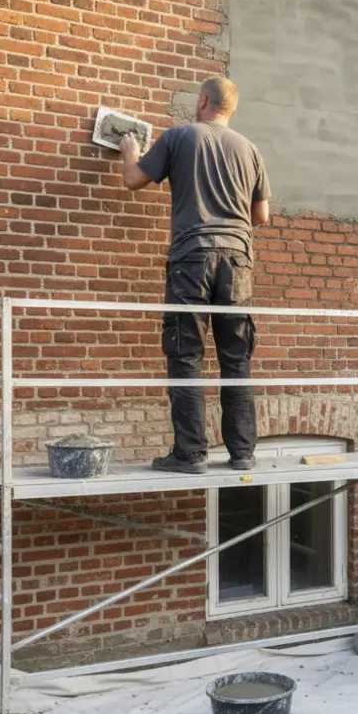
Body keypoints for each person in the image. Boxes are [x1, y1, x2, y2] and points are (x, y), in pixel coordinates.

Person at [118, 76, 270, 474]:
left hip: (192, 257)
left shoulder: (180, 136)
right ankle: (242, 453)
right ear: (229, 108)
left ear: (203, 100)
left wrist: (130, 151)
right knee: (236, 359)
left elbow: (134, 180)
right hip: (238, 261)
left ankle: (190, 454)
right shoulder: (250, 150)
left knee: (186, 355)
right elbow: (262, 216)